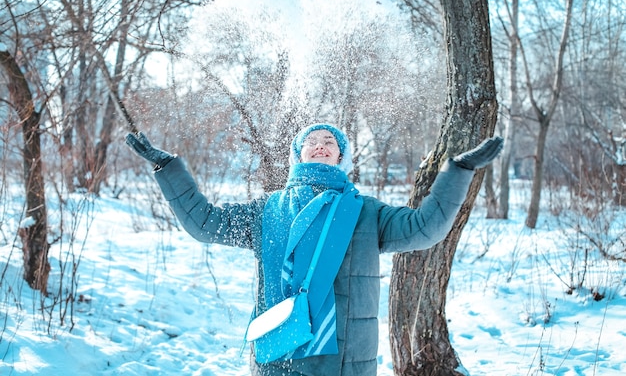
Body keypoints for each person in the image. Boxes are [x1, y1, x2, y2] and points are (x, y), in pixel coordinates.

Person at [126, 123, 503, 376]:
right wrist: (167, 168)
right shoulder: (267, 210)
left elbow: (425, 228)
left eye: (330, 143)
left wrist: (458, 171)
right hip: (280, 353)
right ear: (299, 154)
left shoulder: (365, 212)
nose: (321, 145)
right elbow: (205, 223)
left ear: (341, 157)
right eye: (312, 141)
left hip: (345, 358)